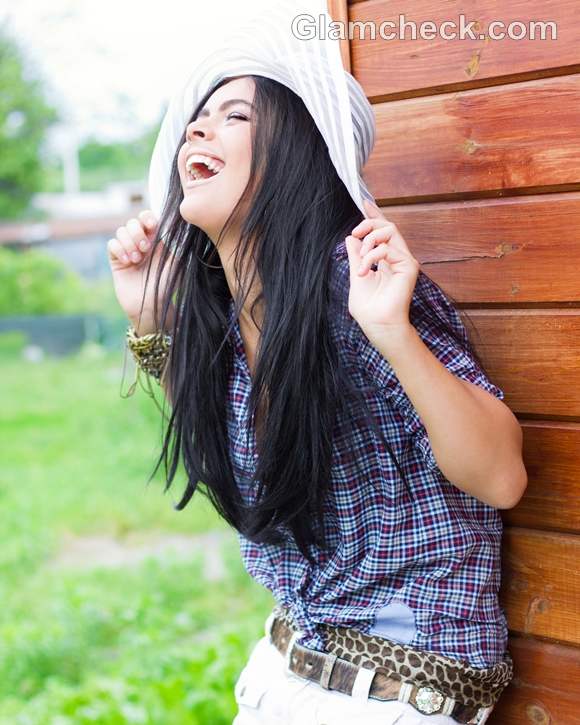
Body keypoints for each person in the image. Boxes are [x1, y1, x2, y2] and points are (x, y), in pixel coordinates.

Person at [107, 7, 526, 724]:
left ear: (296, 153)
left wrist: (392, 331)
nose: (197, 131)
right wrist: (149, 320)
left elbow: (500, 475)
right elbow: (236, 445)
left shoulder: (354, 282)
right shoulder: (223, 309)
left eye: (234, 116)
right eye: (197, 119)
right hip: (284, 668)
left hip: (397, 688)